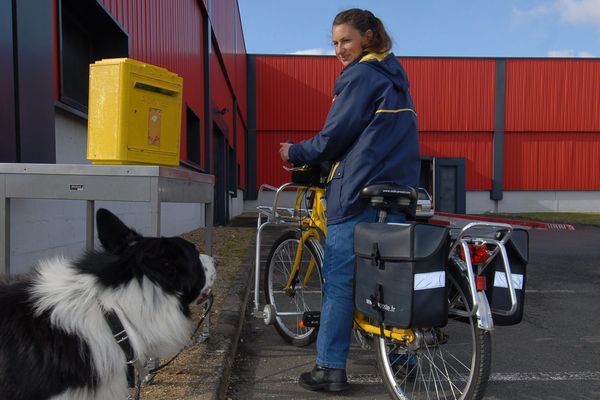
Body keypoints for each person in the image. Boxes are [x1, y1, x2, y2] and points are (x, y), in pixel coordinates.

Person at [278, 8, 421, 392]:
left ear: (368, 37)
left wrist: (295, 151)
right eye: (335, 42)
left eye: (346, 40)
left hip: (358, 194)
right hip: (398, 194)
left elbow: (334, 137)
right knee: (391, 281)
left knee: (340, 284)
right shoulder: (397, 80)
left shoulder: (360, 76)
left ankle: (329, 369)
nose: (339, 49)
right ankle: (403, 356)